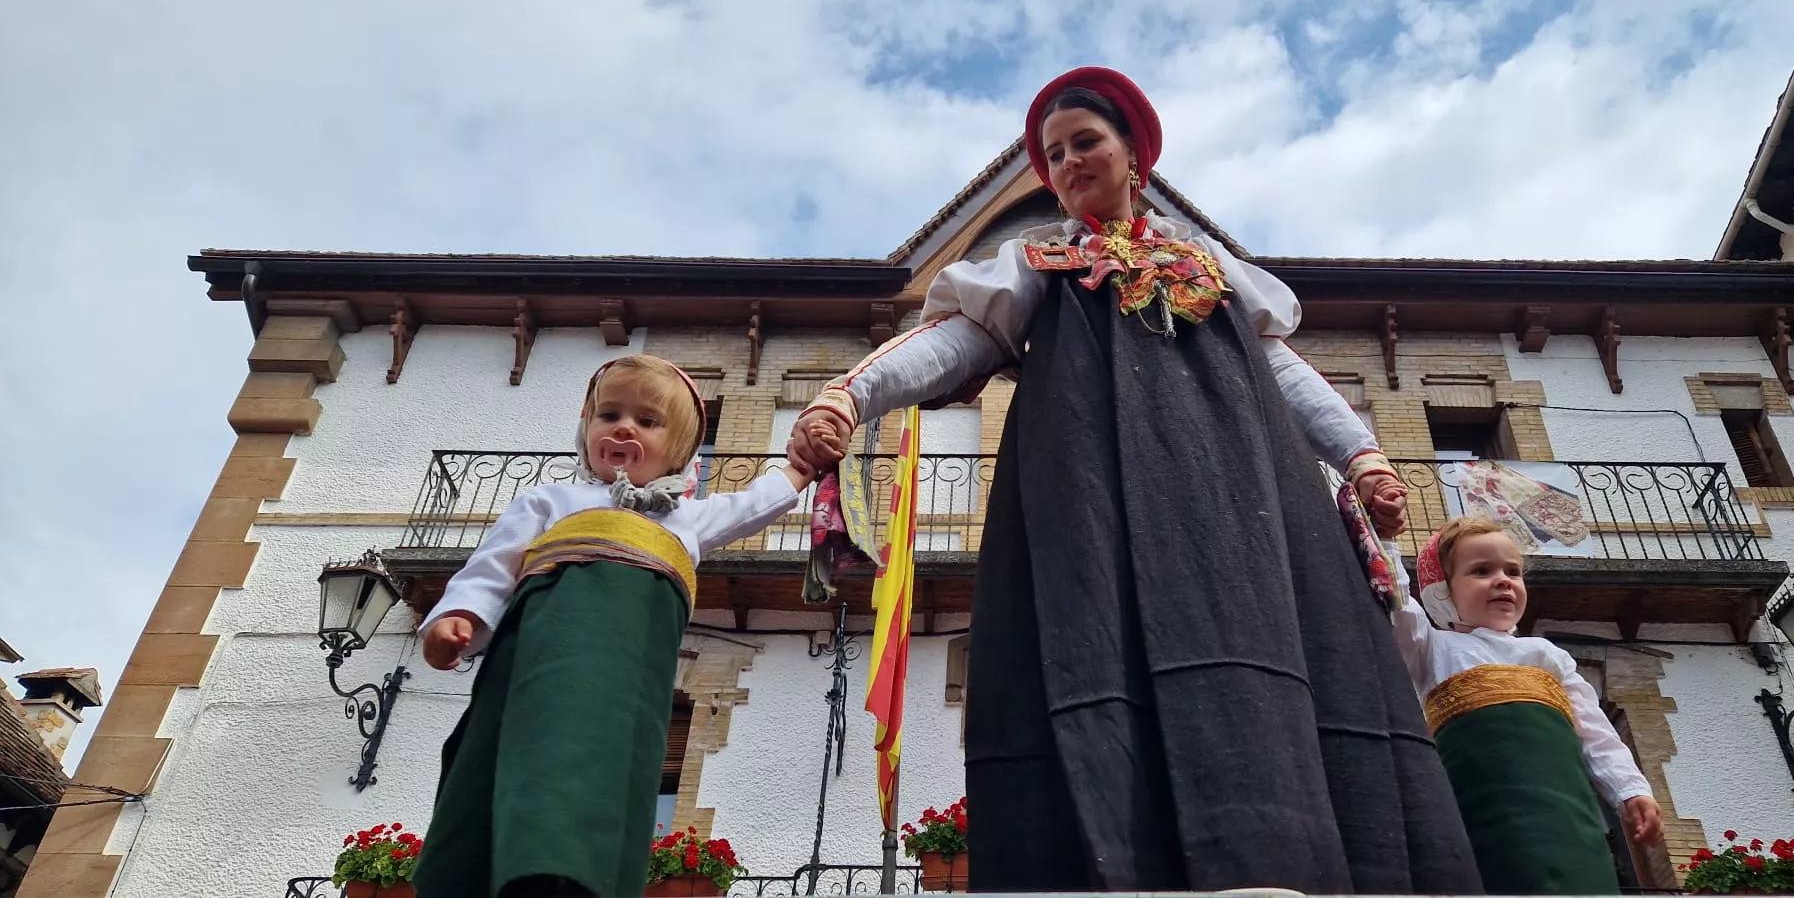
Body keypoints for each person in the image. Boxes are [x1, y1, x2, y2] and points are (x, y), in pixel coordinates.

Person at [786, 66, 1482, 893]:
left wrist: (1363, 457)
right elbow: (954, 341)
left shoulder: (1210, 269)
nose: (1069, 162)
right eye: (1054, 154)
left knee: (1273, 659)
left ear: (1133, 157)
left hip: (1243, 507)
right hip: (1098, 501)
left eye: (1085, 141)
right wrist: (850, 396)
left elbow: (1285, 371)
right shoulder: (1038, 263)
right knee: (1096, 655)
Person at [413, 355, 828, 898]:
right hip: (543, 645)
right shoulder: (550, 500)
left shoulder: (686, 516)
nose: (624, 428)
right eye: (609, 415)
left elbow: (753, 505)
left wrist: (802, 466)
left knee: (608, 754)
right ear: (586, 429)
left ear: (680, 450)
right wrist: (457, 617)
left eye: (648, 421)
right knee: (522, 737)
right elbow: (493, 567)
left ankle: (578, 871)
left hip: (629, 660)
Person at [1394, 517, 1665, 894]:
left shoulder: (1546, 655)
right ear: (1442, 591)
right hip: (1478, 822)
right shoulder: (1432, 648)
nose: (1503, 580)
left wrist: (1631, 790)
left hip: (1570, 824)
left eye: (1513, 572)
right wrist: (1386, 539)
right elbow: (1397, 607)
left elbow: (1596, 735)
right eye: (1481, 571)